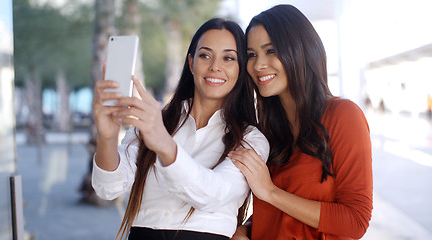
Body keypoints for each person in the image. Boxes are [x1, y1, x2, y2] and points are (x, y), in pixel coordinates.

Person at [91, 18, 269, 240]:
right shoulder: (156, 121)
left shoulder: (251, 138)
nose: (215, 66)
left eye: (228, 58)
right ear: (191, 62)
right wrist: (106, 138)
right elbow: (108, 188)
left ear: (241, 69)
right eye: (205, 55)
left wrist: (165, 145)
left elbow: (213, 194)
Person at [229, 5, 373, 240]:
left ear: (300, 50)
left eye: (271, 50)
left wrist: (270, 192)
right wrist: (245, 229)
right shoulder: (267, 130)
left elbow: (356, 220)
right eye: (252, 54)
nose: (258, 65)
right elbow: (279, 212)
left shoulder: (343, 115)